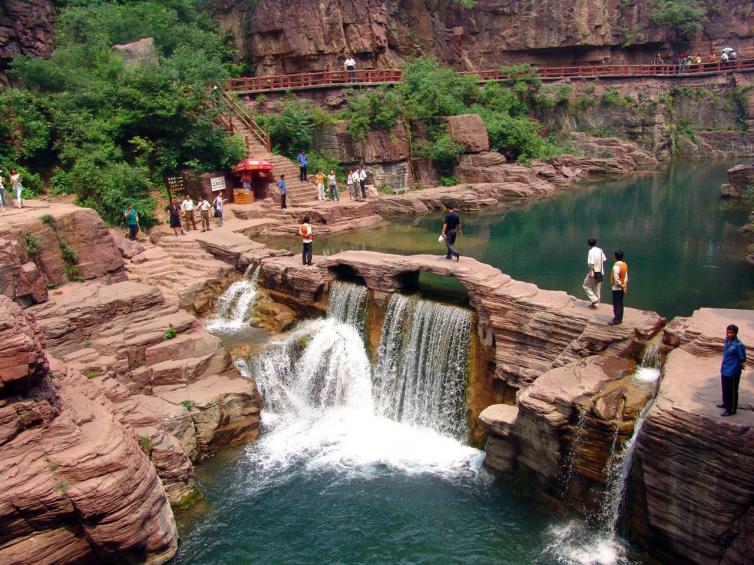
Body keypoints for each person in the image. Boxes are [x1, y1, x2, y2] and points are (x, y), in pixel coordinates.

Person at [718, 324, 746, 417]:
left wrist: (741, 365)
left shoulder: (738, 345)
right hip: (725, 369)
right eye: (728, 332)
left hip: (733, 371)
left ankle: (732, 409)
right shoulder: (727, 340)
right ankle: (726, 403)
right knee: (725, 388)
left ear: (735, 333)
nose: (729, 334)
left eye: (731, 333)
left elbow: (742, 358)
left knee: (732, 391)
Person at [583, 238, 607, 308]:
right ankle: (596, 304)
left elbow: (591, 263)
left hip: (594, 272)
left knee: (585, 285)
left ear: (589, 244)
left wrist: (590, 272)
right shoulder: (600, 250)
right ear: (595, 243)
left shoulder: (591, 251)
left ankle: (594, 300)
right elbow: (604, 259)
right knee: (597, 288)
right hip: (600, 272)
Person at [608, 250, 628, 326]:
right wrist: (624, 285)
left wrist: (621, 285)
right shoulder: (624, 264)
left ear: (615, 257)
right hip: (622, 287)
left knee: (616, 303)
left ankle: (617, 320)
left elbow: (616, 280)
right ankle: (618, 318)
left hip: (617, 288)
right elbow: (626, 276)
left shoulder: (616, 267)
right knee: (620, 303)